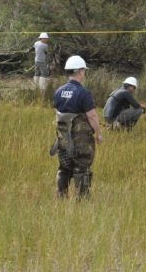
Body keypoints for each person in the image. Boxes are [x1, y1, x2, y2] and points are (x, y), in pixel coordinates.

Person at [51, 55, 102, 198]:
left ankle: (61, 196)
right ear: (80, 71)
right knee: (81, 167)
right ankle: (82, 198)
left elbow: (58, 112)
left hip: (63, 139)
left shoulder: (58, 91)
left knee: (64, 167)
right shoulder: (83, 93)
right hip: (81, 140)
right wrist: (98, 133)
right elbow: (92, 116)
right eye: (84, 70)